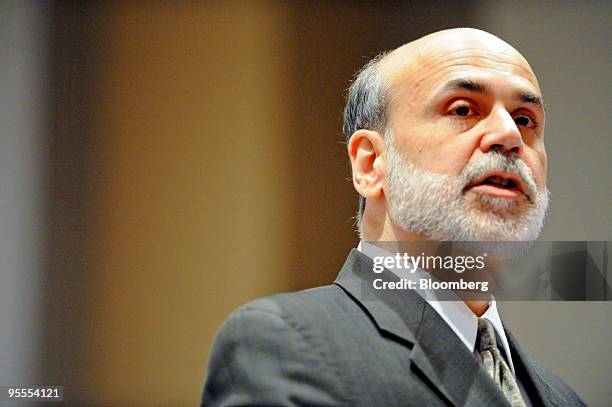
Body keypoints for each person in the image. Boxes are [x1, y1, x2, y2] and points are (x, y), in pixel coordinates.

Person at [201, 28, 585, 406]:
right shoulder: (287, 344)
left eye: (524, 119)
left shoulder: (565, 398)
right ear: (371, 163)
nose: (508, 135)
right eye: (463, 109)